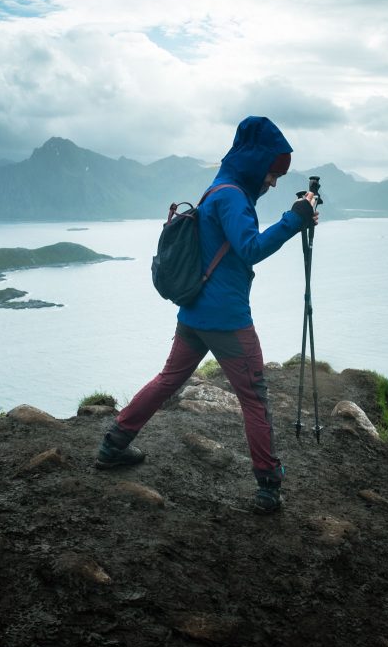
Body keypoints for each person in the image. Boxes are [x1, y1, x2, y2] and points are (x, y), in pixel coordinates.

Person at [94, 115, 319, 514]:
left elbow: (233, 242)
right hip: (228, 320)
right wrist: (295, 219)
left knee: (168, 381)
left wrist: (296, 215)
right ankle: (268, 485)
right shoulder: (233, 198)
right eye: (272, 171)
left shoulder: (221, 188)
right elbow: (250, 248)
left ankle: (113, 445)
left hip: (194, 311)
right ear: (256, 163)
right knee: (254, 397)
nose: (274, 181)